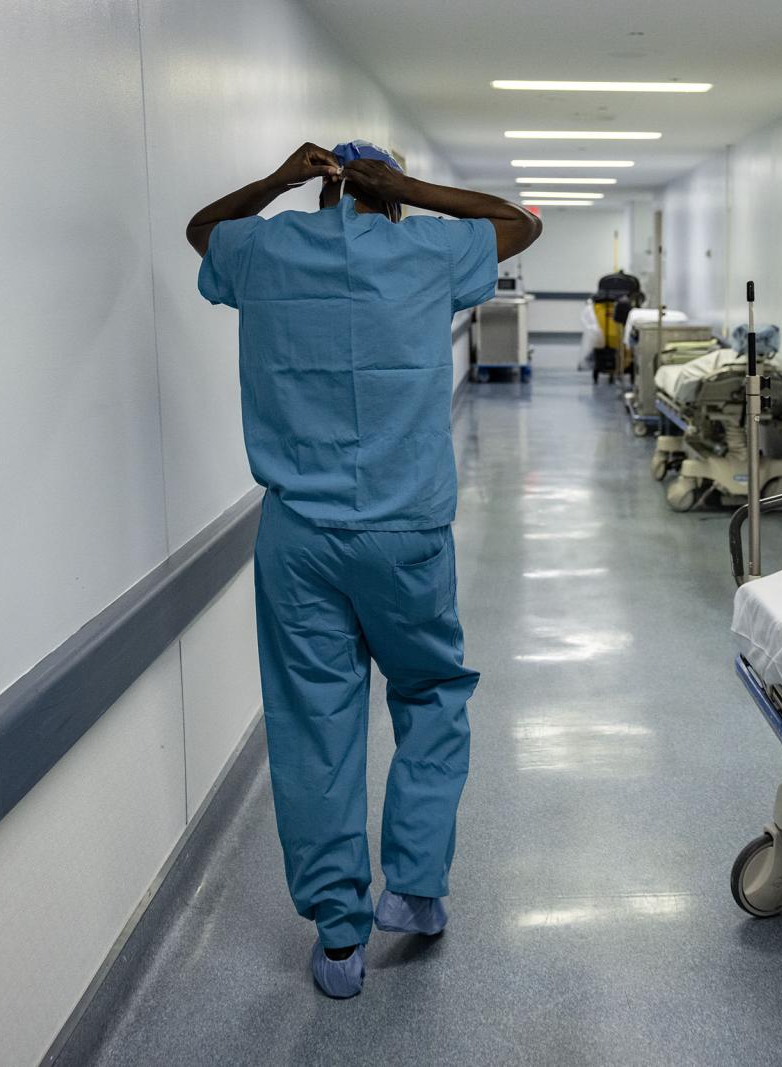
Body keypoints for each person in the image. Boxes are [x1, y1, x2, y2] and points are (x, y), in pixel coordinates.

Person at [187, 140, 541, 999]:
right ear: (387, 197)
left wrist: (278, 178)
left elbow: (202, 230)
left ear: (316, 198)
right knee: (430, 695)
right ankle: (414, 889)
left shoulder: (265, 254)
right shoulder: (426, 251)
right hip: (406, 532)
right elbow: (519, 225)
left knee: (314, 724)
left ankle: (339, 939)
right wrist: (408, 189)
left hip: (299, 537)